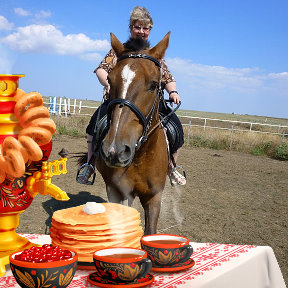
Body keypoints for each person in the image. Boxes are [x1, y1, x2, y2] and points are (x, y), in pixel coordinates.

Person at [77, 6, 186, 186]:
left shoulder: (154, 55)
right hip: (119, 100)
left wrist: (173, 91)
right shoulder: (118, 51)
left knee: (176, 128)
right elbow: (102, 70)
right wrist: (111, 84)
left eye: (145, 28)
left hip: (147, 102)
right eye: (137, 27)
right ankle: (89, 164)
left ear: (150, 31)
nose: (141, 32)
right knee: (94, 126)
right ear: (131, 28)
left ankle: (171, 167)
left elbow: (167, 77)